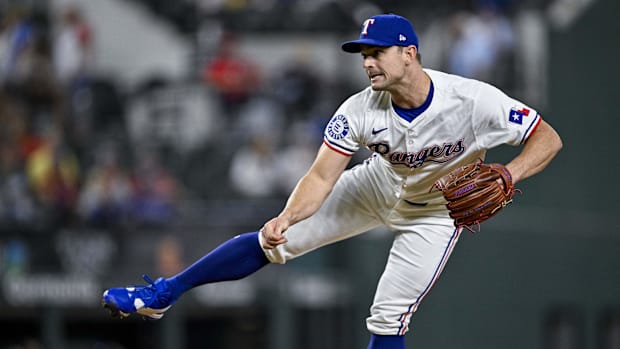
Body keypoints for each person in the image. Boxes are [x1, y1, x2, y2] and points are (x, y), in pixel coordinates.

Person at [102, 13, 562, 348]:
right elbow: (321, 175)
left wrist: (509, 171)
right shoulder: (359, 108)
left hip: (435, 216)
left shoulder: (471, 100)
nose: (368, 64)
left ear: (409, 53)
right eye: (364, 55)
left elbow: (547, 138)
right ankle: (164, 293)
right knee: (270, 241)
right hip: (377, 185)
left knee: (387, 319)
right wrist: (287, 216)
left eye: (377, 52)